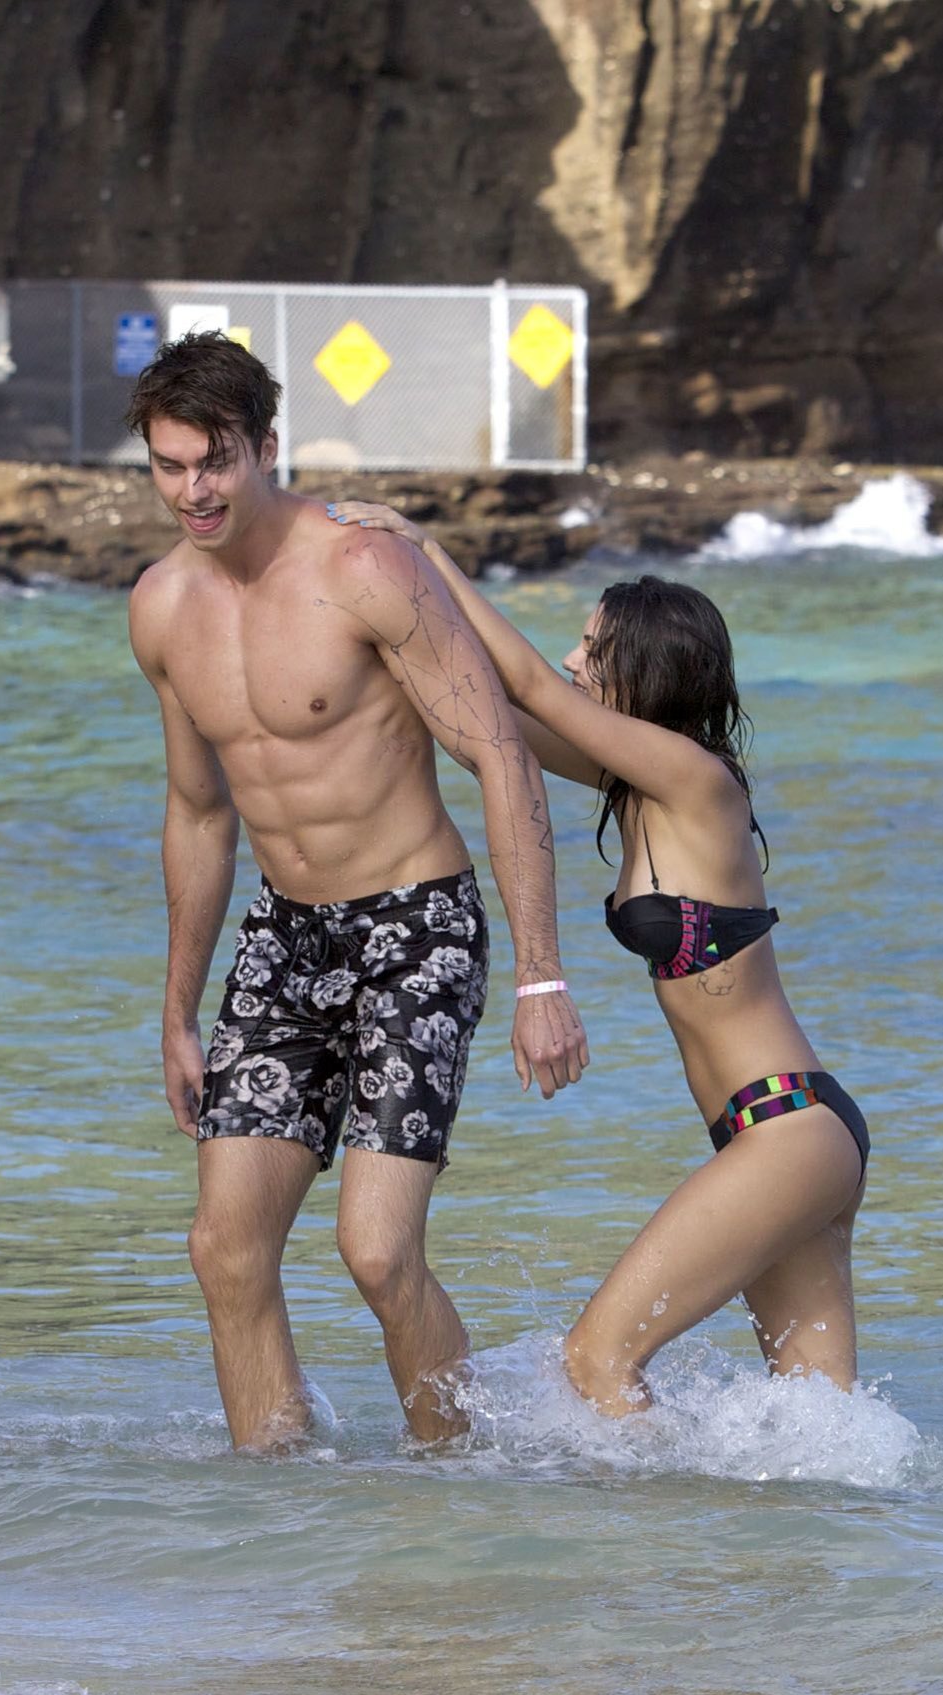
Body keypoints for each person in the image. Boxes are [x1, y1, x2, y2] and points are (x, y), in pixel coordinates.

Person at [125, 337, 590, 1452]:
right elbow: (199, 813)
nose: (193, 490)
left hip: (416, 927)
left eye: (215, 461)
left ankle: (457, 1483)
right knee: (224, 1248)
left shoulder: (366, 569)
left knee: (377, 1253)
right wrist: (178, 1011)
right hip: (285, 939)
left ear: (266, 447)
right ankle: (279, 1501)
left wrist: (542, 975)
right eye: (169, 466)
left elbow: (501, 756)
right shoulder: (162, 607)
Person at [326, 503, 867, 1414]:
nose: (576, 659)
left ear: (643, 668)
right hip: (773, 1131)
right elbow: (494, 719)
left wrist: (429, 551)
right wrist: (388, 625)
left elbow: (533, 685)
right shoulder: (637, 785)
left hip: (789, 1130)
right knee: (818, 1438)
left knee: (595, 1361)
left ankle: (642, 1512)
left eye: (593, 646)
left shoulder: (698, 782)